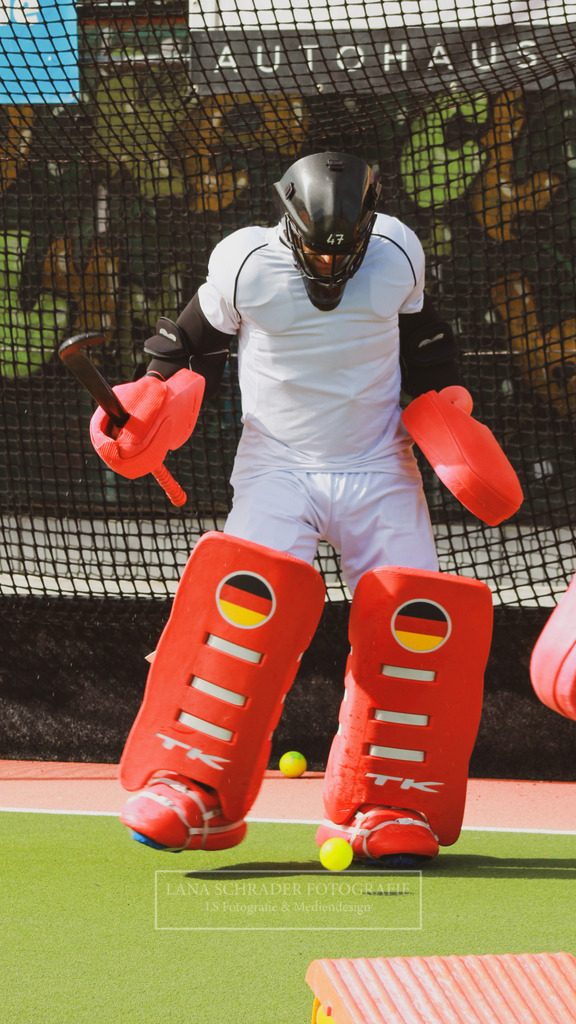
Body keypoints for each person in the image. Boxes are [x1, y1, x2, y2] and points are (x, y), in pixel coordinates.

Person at [91, 151, 496, 867]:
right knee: (237, 615)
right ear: (288, 222)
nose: (330, 264)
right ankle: (195, 789)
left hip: (379, 466)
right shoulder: (246, 263)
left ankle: (386, 803)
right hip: (277, 467)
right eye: (314, 247)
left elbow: (429, 345)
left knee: (417, 628)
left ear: (370, 227)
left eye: (345, 249)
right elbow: (183, 347)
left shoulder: (399, 250)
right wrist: (144, 405)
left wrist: (451, 414)